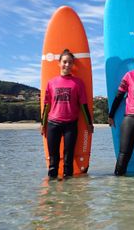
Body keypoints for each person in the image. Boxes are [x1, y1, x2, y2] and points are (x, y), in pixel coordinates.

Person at [41, 49, 94, 179]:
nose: (67, 65)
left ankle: (68, 192)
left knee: (68, 159)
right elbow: (46, 105)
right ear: (59, 63)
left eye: (70, 62)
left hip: (71, 125)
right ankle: (51, 190)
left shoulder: (78, 83)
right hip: (53, 123)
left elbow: (83, 105)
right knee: (53, 160)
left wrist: (89, 124)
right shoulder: (52, 82)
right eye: (65, 62)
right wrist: (43, 124)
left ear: (72, 65)